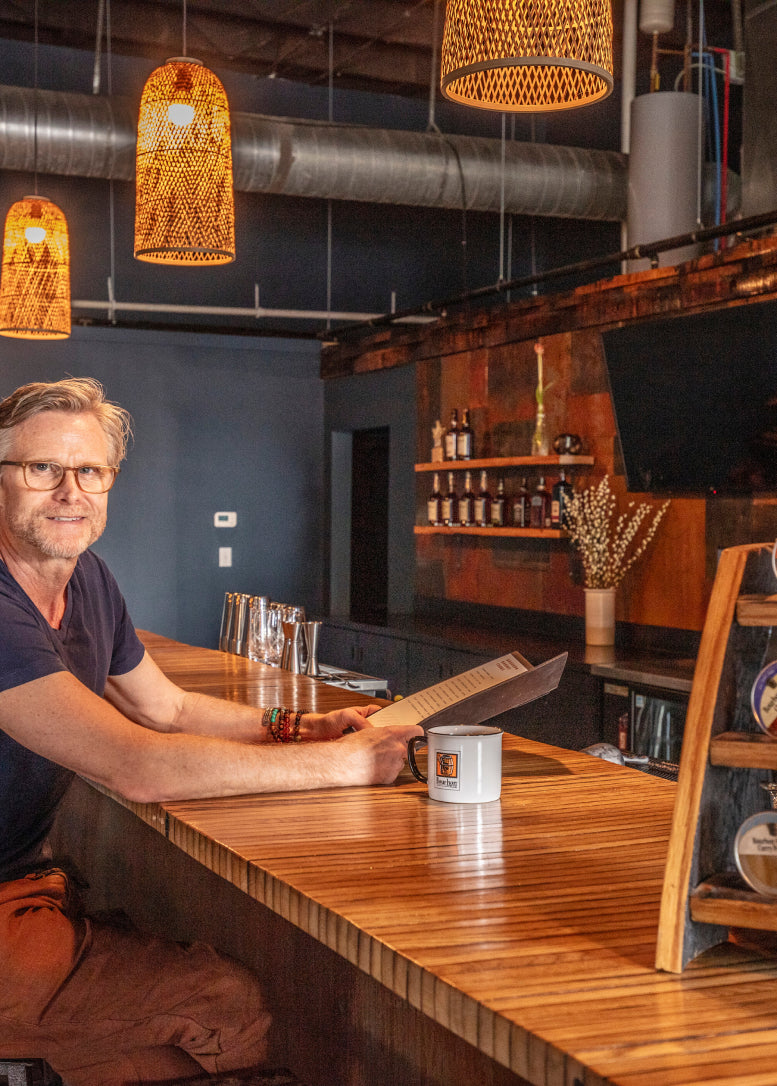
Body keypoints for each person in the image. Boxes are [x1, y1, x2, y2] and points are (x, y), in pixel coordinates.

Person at [0, 377, 422, 1086]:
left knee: (164, 1056)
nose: (71, 491)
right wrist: (347, 765)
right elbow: (136, 763)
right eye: (42, 469)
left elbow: (167, 709)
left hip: (23, 889)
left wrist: (305, 727)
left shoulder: (88, 578)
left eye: (91, 471)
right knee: (223, 1005)